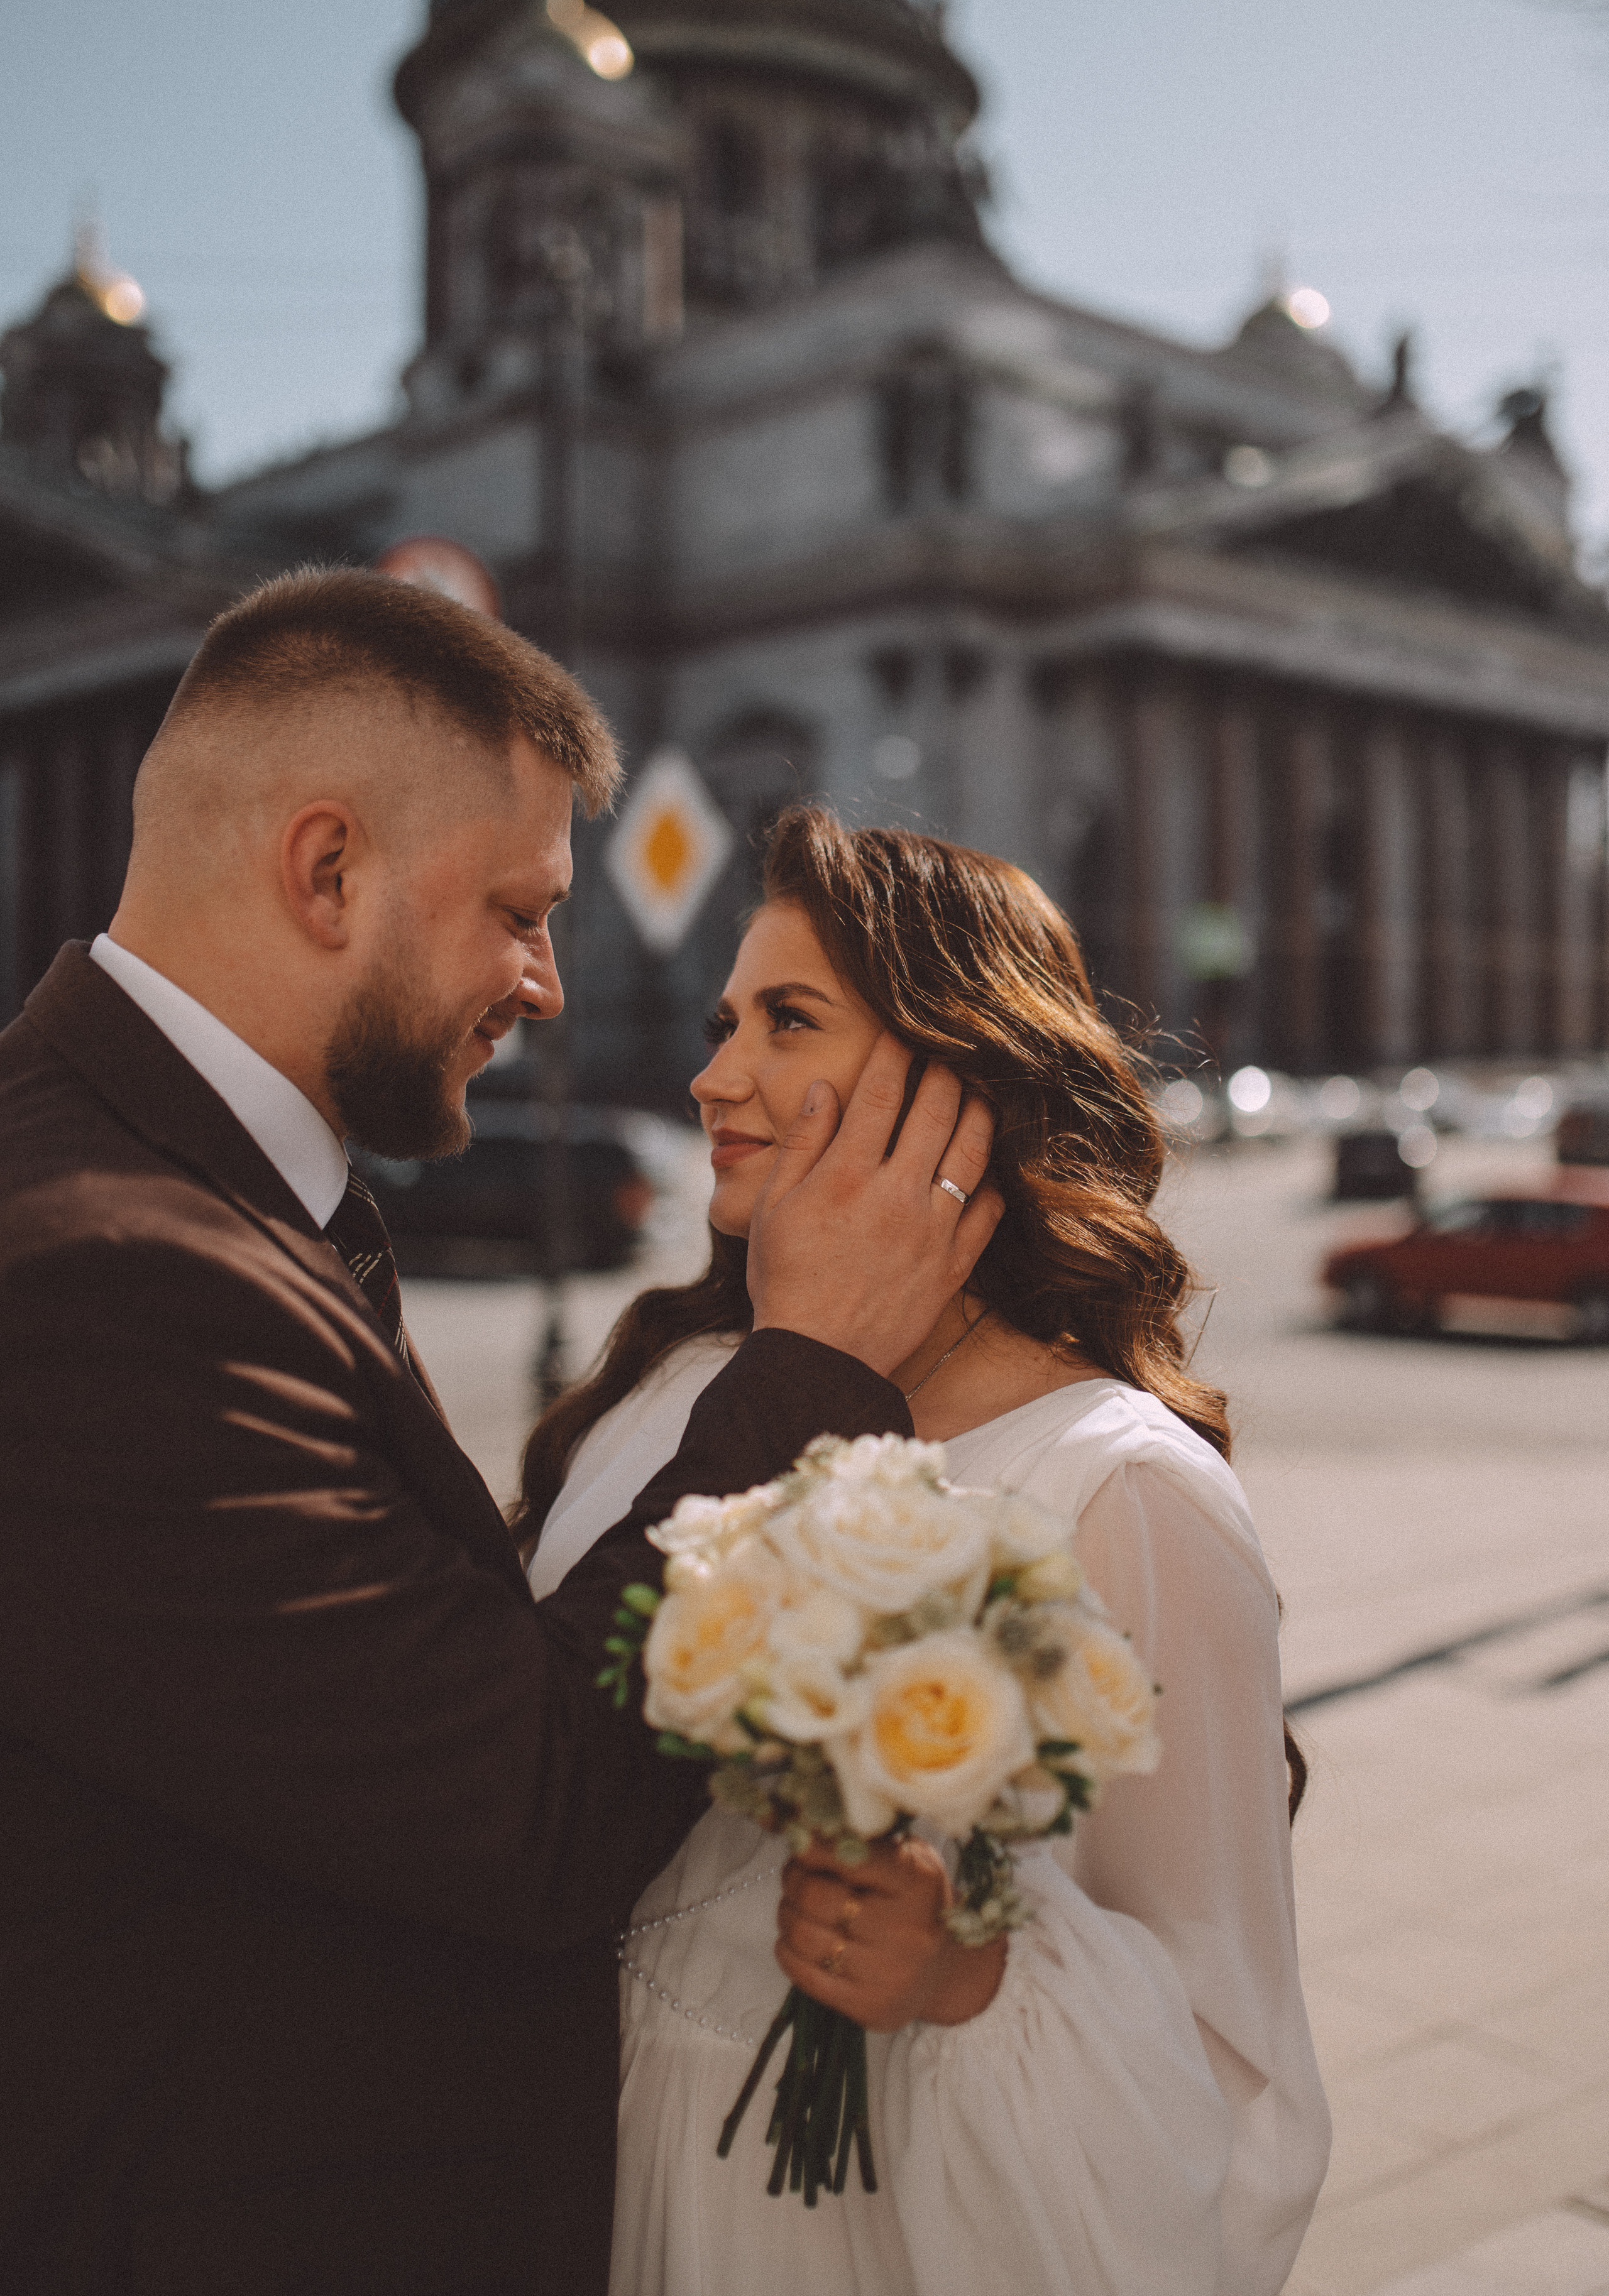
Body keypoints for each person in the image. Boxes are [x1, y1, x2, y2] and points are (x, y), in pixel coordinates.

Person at [0, 570, 1002, 2296]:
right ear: (328, 870)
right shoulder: (109, 1266)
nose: (543, 982)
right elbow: (527, 1806)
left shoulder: (157, 1170)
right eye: (518, 911)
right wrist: (812, 1364)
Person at [519, 807, 1332, 2296]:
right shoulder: (671, 1390)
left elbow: (1239, 2072)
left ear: (954, 1081)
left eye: (786, 1020)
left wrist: (969, 1973)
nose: (712, 1077)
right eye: (721, 1023)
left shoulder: (1121, 1490)